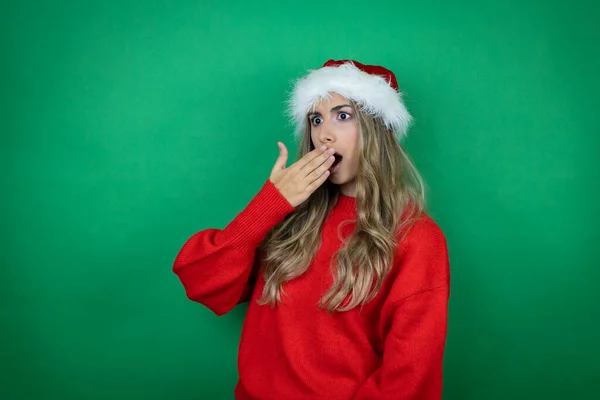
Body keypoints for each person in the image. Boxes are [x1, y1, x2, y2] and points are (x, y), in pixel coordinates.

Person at [172, 59, 450, 400]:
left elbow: (409, 379)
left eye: (342, 116)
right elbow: (201, 281)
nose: (324, 134)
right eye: (315, 120)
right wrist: (268, 206)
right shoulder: (290, 214)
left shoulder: (417, 238)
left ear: (379, 128)